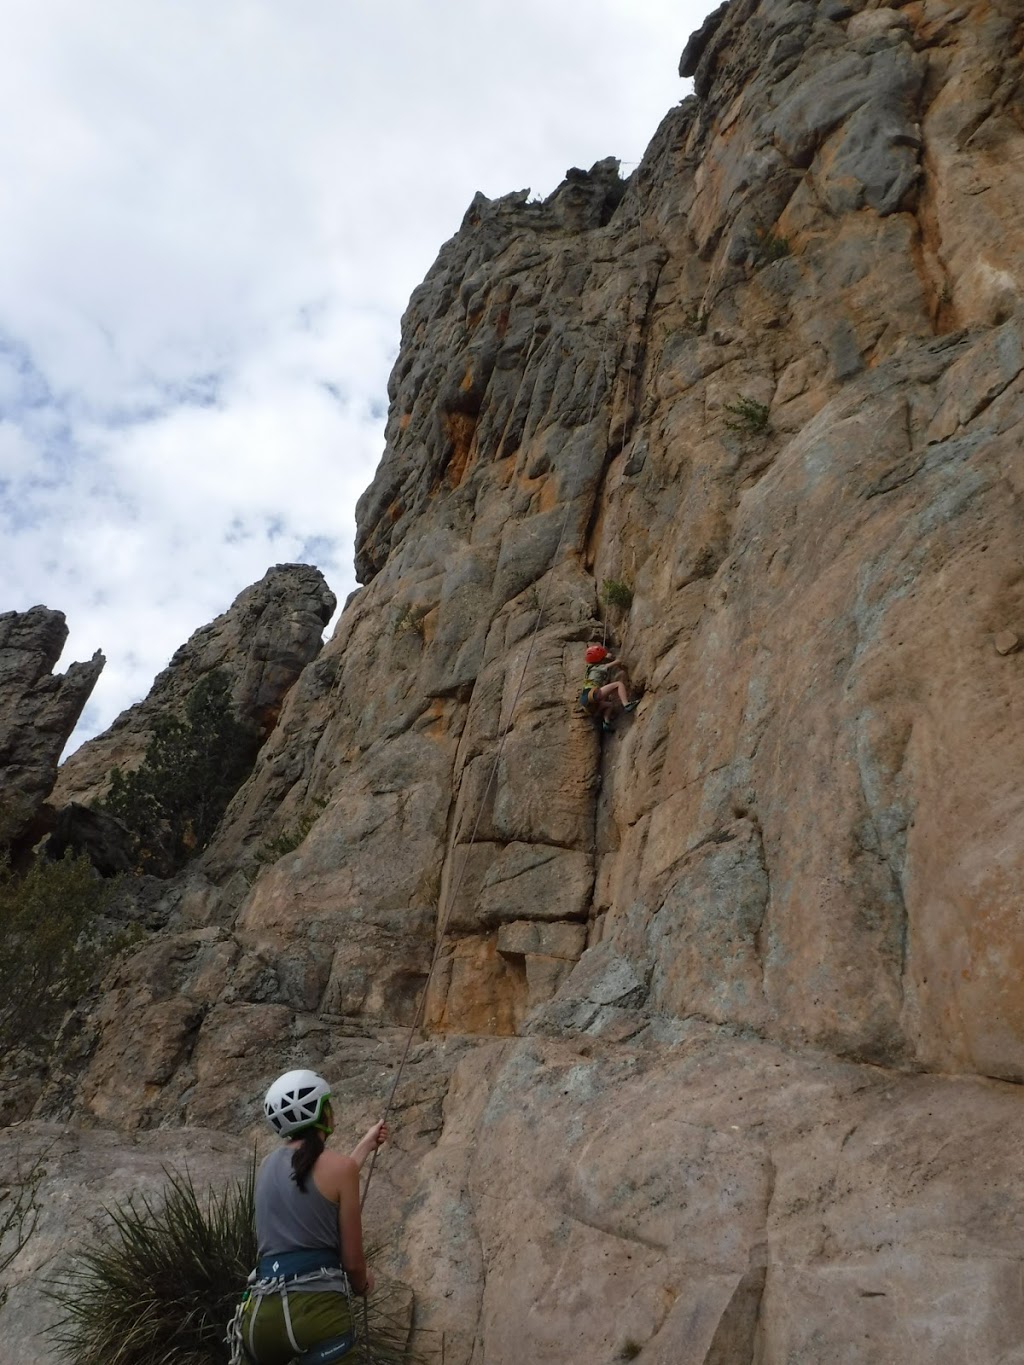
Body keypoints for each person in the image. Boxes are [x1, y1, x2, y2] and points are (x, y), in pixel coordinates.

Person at [232, 1069, 388, 1365]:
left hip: (259, 1318)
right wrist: (363, 1285)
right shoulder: (340, 1169)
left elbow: (316, 1186)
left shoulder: (267, 1166)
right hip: (315, 1315)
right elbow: (353, 1262)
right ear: (321, 1111)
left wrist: (365, 1145)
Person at [579, 643, 637, 732]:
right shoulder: (601, 667)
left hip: (585, 699)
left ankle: (606, 723)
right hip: (593, 693)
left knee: (609, 705)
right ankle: (626, 704)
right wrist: (610, 657)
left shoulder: (590, 668)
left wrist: (604, 657)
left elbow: (596, 661)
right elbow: (618, 661)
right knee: (618, 684)